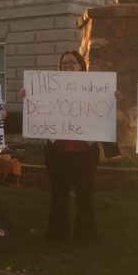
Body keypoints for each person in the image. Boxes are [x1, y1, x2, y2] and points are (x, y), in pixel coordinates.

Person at [28, 51, 102, 243]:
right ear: (59, 67)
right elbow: (38, 107)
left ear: (81, 66)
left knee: (85, 194)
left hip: (85, 151)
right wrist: (28, 95)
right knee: (58, 194)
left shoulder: (95, 87)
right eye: (64, 63)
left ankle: (86, 236)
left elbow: (104, 108)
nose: (68, 65)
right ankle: (57, 235)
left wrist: (113, 96)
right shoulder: (49, 88)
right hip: (57, 151)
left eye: (73, 62)